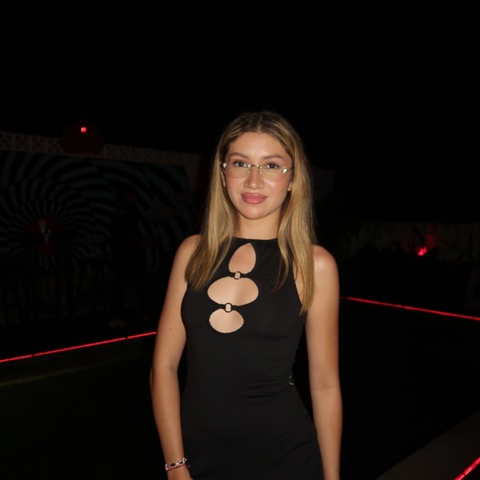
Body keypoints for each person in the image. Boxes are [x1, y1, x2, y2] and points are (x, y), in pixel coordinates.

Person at [150, 110, 342, 479]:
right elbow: (163, 367)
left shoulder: (314, 265)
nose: (254, 180)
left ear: (293, 178)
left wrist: (332, 477)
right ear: (222, 173)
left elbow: (325, 383)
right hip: (198, 458)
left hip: (285, 457)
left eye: (271, 165)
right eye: (240, 163)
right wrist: (175, 465)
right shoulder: (193, 253)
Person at [109, 184, 154, 327]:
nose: (135, 197)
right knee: (140, 283)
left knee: (119, 285)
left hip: (120, 254)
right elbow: (131, 233)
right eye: (133, 194)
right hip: (131, 254)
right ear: (127, 196)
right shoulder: (129, 210)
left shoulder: (117, 211)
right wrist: (145, 242)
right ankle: (147, 314)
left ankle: (117, 316)